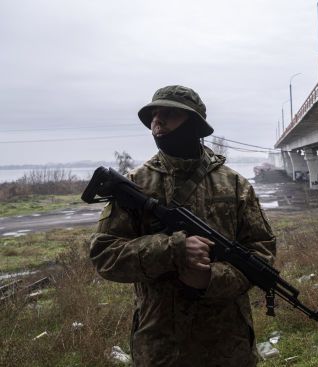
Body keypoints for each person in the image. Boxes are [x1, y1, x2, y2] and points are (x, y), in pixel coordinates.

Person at [90, 85, 276, 367]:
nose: (157, 122)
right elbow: (106, 255)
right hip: (161, 345)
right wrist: (172, 248)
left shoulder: (235, 185)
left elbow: (261, 254)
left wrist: (210, 278)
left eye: (169, 114)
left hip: (228, 345)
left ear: (194, 124)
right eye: (154, 115)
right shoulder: (134, 184)